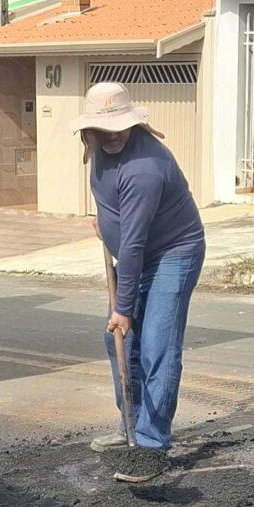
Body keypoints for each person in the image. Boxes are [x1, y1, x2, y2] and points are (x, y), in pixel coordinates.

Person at [75, 81, 204, 486]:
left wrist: (123, 308)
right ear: (90, 131)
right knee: (119, 344)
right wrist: (104, 222)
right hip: (136, 253)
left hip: (172, 254)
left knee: (155, 347)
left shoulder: (145, 167)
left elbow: (132, 245)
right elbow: (112, 206)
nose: (114, 136)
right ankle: (130, 424)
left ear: (132, 125)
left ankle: (151, 445)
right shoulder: (99, 152)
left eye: (120, 129)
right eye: (104, 129)